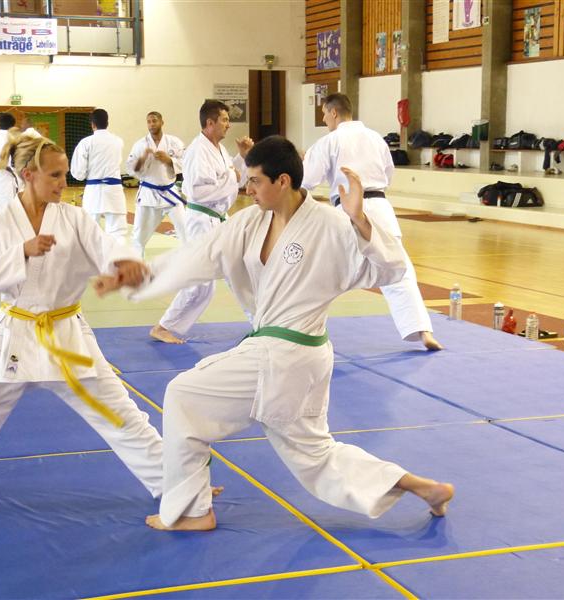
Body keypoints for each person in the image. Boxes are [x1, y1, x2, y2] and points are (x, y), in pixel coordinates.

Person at [94, 136, 454, 531]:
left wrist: (360, 221)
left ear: (282, 181)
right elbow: (200, 255)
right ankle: (424, 488)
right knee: (317, 456)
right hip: (295, 358)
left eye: (255, 181)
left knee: (183, 396)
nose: (247, 189)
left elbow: (391, 269)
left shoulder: (331, 224)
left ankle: (192, 511)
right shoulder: (250, 221)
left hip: (285, 354)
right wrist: (143, 275)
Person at [0, 132, 165, 504]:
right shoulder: (0, 223)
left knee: (119, 413)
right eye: (55, 175)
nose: (64, 183)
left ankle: (174, 483)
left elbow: (106, 246)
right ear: (28, 175)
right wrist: (22, 250)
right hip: (15, 330)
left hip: (66, 334)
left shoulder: (74, 218)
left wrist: (123, 265)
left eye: (64, 174)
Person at [302, 93, 443, 351]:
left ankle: (297, 326)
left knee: (322, 269)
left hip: (347, 209)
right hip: (380, 206)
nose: (324, 120)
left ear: (334, 112)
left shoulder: (329, 141)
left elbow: (307, 180)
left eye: (324, 114)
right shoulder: (376, 138)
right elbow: (388, 175)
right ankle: (422, 332)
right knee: (399, 270)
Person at [150, 100, 253, 344]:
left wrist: (242, 158)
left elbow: (234, 179)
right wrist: (232, 176)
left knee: (239, 272)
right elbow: (198, 192)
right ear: (210, 123)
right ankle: (163, 327)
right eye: (224, 120)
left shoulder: (219, 149)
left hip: (219, 220)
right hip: (202, 221)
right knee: (200, 284)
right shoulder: (198, 150)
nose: (228, 125)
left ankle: (263, 323)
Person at [127, 112, 187, 257]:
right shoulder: (140, 145)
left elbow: (187, 162)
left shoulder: (174, 142)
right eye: (149, 122)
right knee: (139, 237)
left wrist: (169, 160)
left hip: (170, 194)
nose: (151, 124)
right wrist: (143, 159)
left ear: (162, 122)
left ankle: (188, 264)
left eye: (154, 121)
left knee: (186, 231)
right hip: (148, 195)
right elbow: (130, 168)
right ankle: (137, 265)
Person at [70, 108, 128, 241]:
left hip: (93, 190)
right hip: (114, 190)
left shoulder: (86, 143)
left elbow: (78, 173)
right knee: (117, 232)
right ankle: (117, 254)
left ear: (92, 124)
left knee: (89, 232)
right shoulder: (118, 141)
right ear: (107, 123)